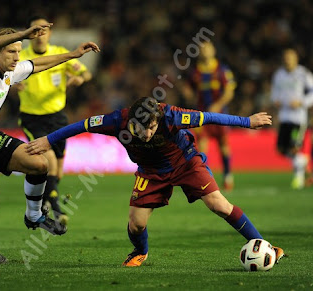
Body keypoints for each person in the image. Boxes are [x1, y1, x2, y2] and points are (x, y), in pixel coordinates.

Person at [26, 96, 285, 267]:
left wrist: (246, 121)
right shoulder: (117, 121)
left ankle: (266, 245)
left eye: (152, 127)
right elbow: (81, 125)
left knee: (218, 204)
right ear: (132, 123)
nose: (148, 133)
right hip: (150, 171)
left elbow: (210, 117)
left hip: (186, 162)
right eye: (143, 129)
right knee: (136, 224)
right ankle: (140, 251)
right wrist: (48, 140)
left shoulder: (172, 116)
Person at [0, 24, 100, 264]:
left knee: (39, 163)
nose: (17, 57)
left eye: (19, 51)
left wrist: (73, 54)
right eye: (11, 52)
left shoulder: (10, 72)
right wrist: (25, 34)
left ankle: (34, 216)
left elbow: (38, 64)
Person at [15, 15, 93, 225]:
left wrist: (79, 78)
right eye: (36, 31)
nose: (40, 36)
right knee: (47, 157)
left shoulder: (60, 54)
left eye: (44, 31)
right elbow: (2, 78)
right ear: (29, 34)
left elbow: (86, 73)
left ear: (50, 34)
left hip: (57, 116)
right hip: (32, 117)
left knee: (57, 169)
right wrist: (12, 85)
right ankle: (57, 209)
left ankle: (45, 201)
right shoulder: (20, 58)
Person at [182, 41, 236, 191]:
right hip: (202, 117)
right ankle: (205, 179)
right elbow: (188, 88)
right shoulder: (195, 72)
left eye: (207, 48)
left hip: (220, 116)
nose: (204, 51)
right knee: (202, 147)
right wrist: (187, 93)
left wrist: (218, 105)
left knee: (224, 145)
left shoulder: (222, 70)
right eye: (202, 48)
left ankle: (227, 175)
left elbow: (229, 92)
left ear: (213, 50)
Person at [271, 48, 313, 189]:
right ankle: (302, 162)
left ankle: (298, 179)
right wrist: (276, 100)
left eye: (290, 57)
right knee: (281, 149)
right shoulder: (279, 75)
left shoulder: (303, 74)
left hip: (298, 118)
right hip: (284, 116)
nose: (287, 60)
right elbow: (275, 92)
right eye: (285, 57)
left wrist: (302, 102)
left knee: (295, 148)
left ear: (296, 59)